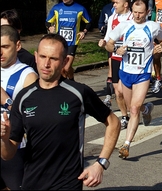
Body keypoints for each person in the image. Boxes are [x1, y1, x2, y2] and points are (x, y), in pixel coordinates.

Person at [1, 33, 120, 190]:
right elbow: (7, 154)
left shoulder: (78, 93)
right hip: (32, 182)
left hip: (67, 183)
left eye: (54, 58)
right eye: (43, 56)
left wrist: (100, 164)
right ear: (35, 57)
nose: (46, 64)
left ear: (64, 62)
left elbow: (113, 122)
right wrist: (4, 138)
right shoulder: (23, 97)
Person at [106, 0, 162, 159]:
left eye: (141, 13)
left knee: (134, 109)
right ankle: (146, 110)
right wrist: (115, 49)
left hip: (143, 73)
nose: (137, 16)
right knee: (132, 106)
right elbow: (108, 43)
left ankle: (126, 144)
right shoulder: (125, 25)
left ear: (147, 12)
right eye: (135, 12)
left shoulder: (152, 27)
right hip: (125, 72)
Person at [1, 25, 38, 190]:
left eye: (5, 47)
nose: (0, 52)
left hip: (13, 147)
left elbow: (33, 116)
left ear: (17, 46)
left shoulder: (27, 75)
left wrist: (6, 101)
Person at [98, 0, 133, 128]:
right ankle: (125, 116)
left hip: (130, 59)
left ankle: (140, 109)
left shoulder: (133, 18)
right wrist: (104, 42)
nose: (114, 5)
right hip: (116, 57)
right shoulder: (113, 18)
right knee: (118, 91)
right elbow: (108, 38)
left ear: (125, 4)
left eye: (116, 2)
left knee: (127, 91)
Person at [45, 0, 92, 81]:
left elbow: (89, 22)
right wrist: (50, 27)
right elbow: (47, 22)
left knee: (65, 68)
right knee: (65, 68)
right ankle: (72, 81)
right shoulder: (56, 8)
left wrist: (84, 32)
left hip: (72, 42)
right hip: (59, 42)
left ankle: (65, 87)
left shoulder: (80, 9)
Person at [98, 0, 118, 107]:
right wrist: (103, 34)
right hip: (112, 44)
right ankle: (108, 96)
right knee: (111, 71)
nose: (115, 0)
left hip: (125, 48)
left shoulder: (131, 12)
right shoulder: (107, 10)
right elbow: (101, 22)